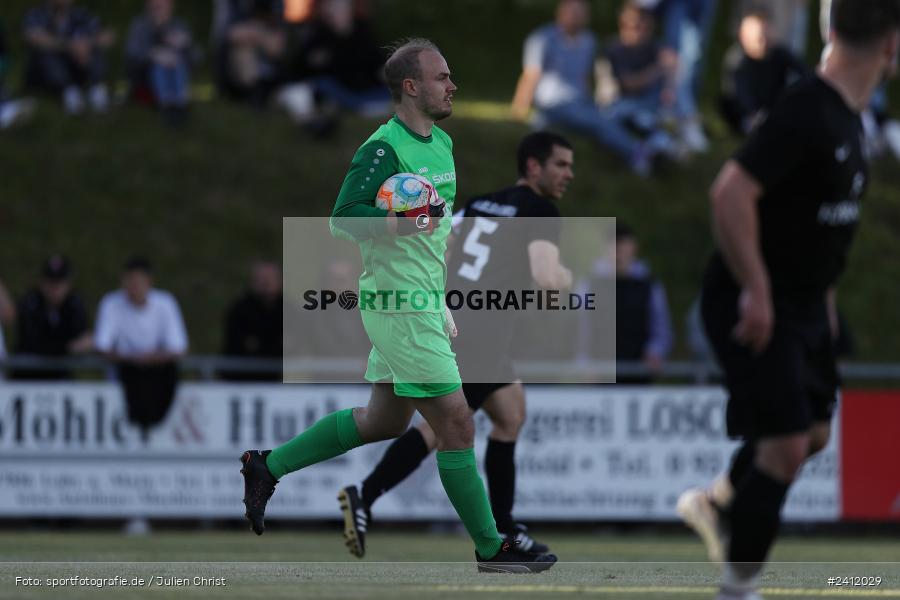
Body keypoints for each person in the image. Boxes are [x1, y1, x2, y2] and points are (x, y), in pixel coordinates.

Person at [240, 38, 557, 573]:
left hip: (423, 303)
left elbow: (434, 237)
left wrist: (442, 298)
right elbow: (343, 218)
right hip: (397, 305)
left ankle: (266, 466)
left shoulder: (443, 145)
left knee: (382, 422)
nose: (452, 85)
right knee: (457, 425)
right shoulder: (382, 148)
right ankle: (491, 546)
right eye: (442, 77)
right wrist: (399, 223)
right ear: (411, 87)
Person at [676, 1, 899, 598]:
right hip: (757, 299)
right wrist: (756, 288)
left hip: (805, 303)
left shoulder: (850, 119)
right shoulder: (808, 108)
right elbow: (730, 193)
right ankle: (738, 590)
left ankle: (719, 503)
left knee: (816, 434)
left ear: (829, 29)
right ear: (892, 46)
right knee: (785, 446)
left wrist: (824, 303)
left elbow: (816, 225)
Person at [338, 131, 575, 559]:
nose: (568, 175)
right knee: (442, 429)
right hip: (482, 331)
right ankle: (365, 495)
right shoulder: (540, 209)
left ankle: (505, 525)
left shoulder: (481, 202)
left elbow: (440, 248)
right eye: (561, 165)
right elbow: (545, 279)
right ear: (534, 167)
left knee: (510, 414)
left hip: (454, 313)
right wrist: (566, 280)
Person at [511, 0, 660, 176]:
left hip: (579, 101)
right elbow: (531, 75)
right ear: (561, 13)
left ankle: (649, 145)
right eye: (573, 12)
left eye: (581, 13)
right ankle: (637, 153)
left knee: (608, 114)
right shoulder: (542, 38)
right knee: (599, 122)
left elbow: (584, 78)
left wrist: (591, 101)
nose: (577, 17)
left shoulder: (589, 41)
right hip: (553, 102)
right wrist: (519, 109)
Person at [94, 256, 188, 438]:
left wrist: (150, 358)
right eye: (130, 281)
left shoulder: (165, 303)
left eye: (139, 281)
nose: (134, 286)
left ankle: (151, 426)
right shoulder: (112, 303)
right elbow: (102, 346)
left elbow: (179, 348)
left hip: (157, 371)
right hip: (125, 372)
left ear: (149, 282)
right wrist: (132, 358)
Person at [576, 223, 673, 383]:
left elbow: (661, 328)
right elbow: (580, 329)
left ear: (633, 248)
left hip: (639, 376)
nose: (617, 251)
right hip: (597, 378)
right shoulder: (588, 285)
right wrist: (584, 363)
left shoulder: (650, 286)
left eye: (622, 245)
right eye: (613, 245)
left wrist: (655, 353)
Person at [720, 7, 809, 136]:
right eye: (758, 36)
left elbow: (805, 73)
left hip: (773, 107)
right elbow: (739, 94)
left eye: (765, 33)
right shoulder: (737, 61)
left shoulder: (779, 54)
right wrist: (753, 114)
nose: (763, 40)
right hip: (745, 114)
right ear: (743, 35)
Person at [22, 0, 115, 115]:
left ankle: (96, 90)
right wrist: (69, 46)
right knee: (46, 53)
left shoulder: (80, 14)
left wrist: (87, 45)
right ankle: (69, 93)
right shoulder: (37, 14)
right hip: (47, 72)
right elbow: (33, 37)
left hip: (78, 64)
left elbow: (108, 36)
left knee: (94, 51)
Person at [12, 255, 92, 380]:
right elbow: (30, 342)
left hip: (60, 378)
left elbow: (83, 339)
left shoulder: (75, 303)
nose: (55, 289)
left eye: (59, 283)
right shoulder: (29, 303)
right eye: (51, 283)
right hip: (27, 379)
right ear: (42, 283)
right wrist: (68, 347)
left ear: (68, 284)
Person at [125, 0, 193, 126]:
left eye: (163, 5)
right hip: (147, 75)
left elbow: (195, 54)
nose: (159, 8)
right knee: (160, 66)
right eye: (156, 5)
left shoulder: (178, 25)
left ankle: (180, 103)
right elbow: (132, 51)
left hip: (176, 69)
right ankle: (167, 105)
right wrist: (153, 54)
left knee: (176, 63)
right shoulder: (140, 25)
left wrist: (184, 45)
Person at [221, 260, 283, 381]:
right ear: (252, 281)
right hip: (242, 380)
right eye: (262, 278)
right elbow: (238, 345)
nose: (266, 283)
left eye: (270, 278)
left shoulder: (289, 310)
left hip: (280, 380)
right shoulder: (239, 310)